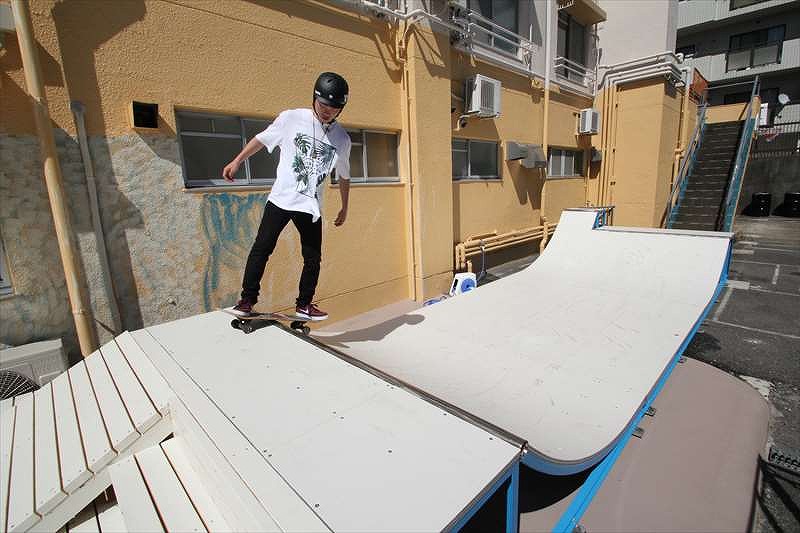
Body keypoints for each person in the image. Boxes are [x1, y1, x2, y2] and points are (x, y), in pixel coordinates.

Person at [222, 72, 352, 320]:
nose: (327, 111)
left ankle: (304, 304)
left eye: (334, 107)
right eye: (323, 104)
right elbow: (261, 140)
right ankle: (247, 300)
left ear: (341, 108)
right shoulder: (291, 118)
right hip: (281, 199)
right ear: (314, 98)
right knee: (262, 248)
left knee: (313, 258)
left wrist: (345, 207)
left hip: (310, 206)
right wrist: (237, 160)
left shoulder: (342, 139)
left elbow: (344, 175)